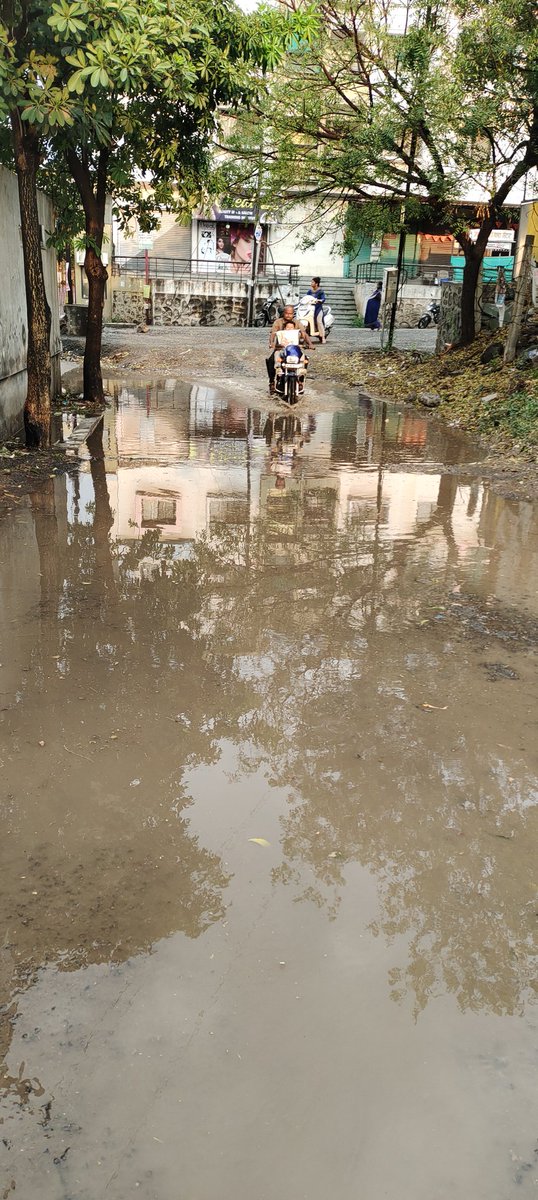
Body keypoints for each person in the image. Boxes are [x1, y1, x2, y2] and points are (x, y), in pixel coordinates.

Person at [266, 304, 313, 394]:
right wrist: (271, 343)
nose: (288, 315)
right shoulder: (278, 322)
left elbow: (304, 333)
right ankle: (272, 382)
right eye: (286, 313)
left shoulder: (298, 323)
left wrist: (310, 344)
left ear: (293, 314)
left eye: (290, 314)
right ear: (284, 313)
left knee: (305, 359)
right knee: (271, 360)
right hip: (281, 348)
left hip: (294, 349)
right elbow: (272, 333)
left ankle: (300, 381)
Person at [274, 320, 308, 394]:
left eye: (291, 327)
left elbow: (303, 343)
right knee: (276, 353)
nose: (290, 329)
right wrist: (279, 345)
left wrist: (304, 345)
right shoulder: (280, 334)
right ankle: (278, 369)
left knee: (304, 356)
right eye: (288, 327)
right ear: (285, 328)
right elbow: (276, 345)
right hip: (283, 352)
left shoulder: (297, 335)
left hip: (294, 353)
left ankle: (301, 375)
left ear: (294, 328)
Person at [307, 276, 327, 341]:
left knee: (319, 322)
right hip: (310, 309)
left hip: (318, 309)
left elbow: (323, 299)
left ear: (316, 283)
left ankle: (323, 337)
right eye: (311, 282)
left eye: (312, 282)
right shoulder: (310, 291)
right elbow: (306, 297)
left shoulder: (320, 291)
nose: (311, 283)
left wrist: (320, 300)